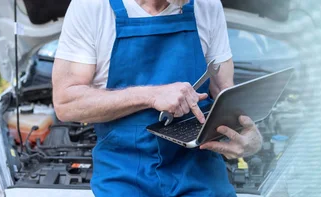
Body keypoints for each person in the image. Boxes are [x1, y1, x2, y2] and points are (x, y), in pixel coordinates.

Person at [51, 0, 263, 196]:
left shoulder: (206, 5)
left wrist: (247, 132)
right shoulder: (92, 7)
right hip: (123, 174)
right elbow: (66, 103)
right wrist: (150, 95)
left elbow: (224, 89)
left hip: (200, 171)